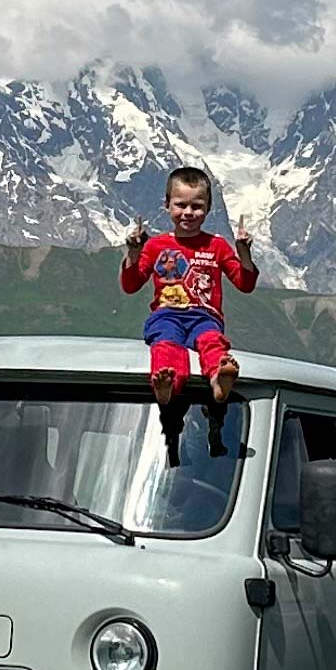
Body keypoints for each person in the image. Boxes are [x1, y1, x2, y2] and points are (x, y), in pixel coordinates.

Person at [119, 164, 257, 458]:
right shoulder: (156, 246)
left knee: (211, 342)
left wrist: (243, 251)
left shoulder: (217, 246)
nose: (188, 213)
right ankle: (167, 383)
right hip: (167, 314)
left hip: (205, 316)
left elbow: (245, 283)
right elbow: (131, 284)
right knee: (166, 344)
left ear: (208, 209)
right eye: (180, 205)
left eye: (197, 206)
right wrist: (133, 252)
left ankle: (218, 377)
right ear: (167, 205)